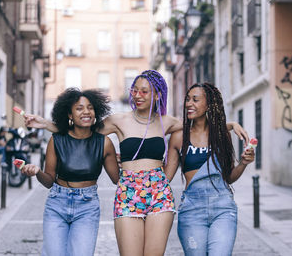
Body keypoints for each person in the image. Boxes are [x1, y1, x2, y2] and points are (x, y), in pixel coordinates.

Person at [24, 70, 248, 256]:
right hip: (129, 190)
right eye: (135, 90)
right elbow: (83, 130)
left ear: (158, 95)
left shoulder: (167, 122)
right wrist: (46, 124)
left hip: (159, 191)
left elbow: (199, 124)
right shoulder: (118, 120)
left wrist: (229, 125)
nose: (137, 95)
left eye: (144, 91)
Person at [20, 88, 119, 256]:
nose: (86, 111)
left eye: (90, 107)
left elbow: (117, 179)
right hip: (57, 204)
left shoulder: (104, 143)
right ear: (70, 115)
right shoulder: (56, 140)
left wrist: (133, 163)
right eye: (79, 108)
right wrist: (37, 172)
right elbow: (49, 181)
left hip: (87, 206)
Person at [165, 83, 255, 256]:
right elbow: (165, 177)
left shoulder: (221, 135)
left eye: (195, 100)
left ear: (209, 105)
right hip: (192, 210)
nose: (189, 103)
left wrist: (243, 163)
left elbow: (228, 177)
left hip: (223, 208)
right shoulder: (178, 137)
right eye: (188, 99)